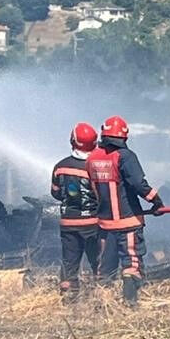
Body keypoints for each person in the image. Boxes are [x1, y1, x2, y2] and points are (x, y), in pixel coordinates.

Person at [86, 115, 163, 304]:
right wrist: (156, 201)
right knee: (131, 262)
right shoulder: (125, 156)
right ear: (124, 137)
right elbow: (138, 183)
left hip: (104, 224)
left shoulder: (93, 157)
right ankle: (130, 302)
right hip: (128, 222)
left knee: (105, 265)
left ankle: (102, 303)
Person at [51, 122, 102, 300]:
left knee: (69, 261)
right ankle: (101, 294)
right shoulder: (96, 166)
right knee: (98, 261)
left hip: (68, 224)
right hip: (92, 223)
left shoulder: (60, 166)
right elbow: (102, 194)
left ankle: (68, 294)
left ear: (72, 141)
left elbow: (56, 193)